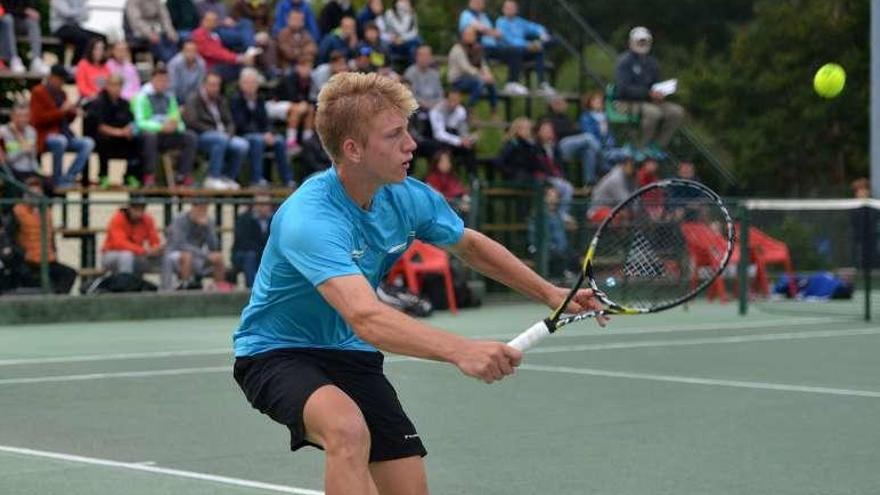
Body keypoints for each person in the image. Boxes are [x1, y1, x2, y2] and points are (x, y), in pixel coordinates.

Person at [231, 72, 604, 495]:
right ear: (352, 149)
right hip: (276, 352)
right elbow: (366, 317)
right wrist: (462, 350)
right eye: (394, 136)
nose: (411, 144)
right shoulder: (309, 219)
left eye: (407, 130)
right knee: (347, 431)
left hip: (350, 353)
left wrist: (552, 293)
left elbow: (470, 246)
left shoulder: (407, 195)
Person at [613, 26, 685, 150]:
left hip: (649, 101)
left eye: (644, 41)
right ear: (631, 42)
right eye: (639, 41)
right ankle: (641, 147)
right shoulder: (624, 61)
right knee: (653, 113)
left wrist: (660, 93)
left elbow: (655, 85)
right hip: (625, 102)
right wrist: (648, 93)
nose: (642, 44)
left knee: (676, 112)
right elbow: (623, 89)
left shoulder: (652, 63)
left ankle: (657, 146)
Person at [131, 64, 198, 187]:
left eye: (165, 80)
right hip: (147, 136)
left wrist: (176, 127)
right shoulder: (142, 97)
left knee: (190, 136)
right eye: (160, 80)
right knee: (150, 136)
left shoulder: (170, 97)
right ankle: (149, 175)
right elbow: (140, 122)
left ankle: (182, 175)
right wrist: (161, 127)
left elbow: (177, 120)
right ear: (152, 80)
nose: (163, 83)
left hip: (167, 135)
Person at [31, 64, 95, 188]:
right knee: (60, 141)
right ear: (51, 77)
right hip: (46, 134)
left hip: (64, 133)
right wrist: (62, 111)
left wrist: (73, 112)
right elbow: (39, 119)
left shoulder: (62, 93)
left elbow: (66, 120)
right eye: (61, 79)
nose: (62, 83)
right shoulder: (38, 92)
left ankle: (69, 178)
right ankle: (57, 180)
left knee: (88, 143)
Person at [183, 71, 249, 190]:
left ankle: (228, 177)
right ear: (204, 85)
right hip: (201, 135)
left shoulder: (221, 100)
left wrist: (229, 134)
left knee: (242, 145)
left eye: (217, 85)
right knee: (220, 139)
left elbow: (230, 121)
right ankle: (213, 177)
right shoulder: (194, 98)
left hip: (222, 135)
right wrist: (215, 132)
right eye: (212, 84)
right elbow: (192, 122)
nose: (215, 88)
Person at [231, 68, 294, 188]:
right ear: (241, 84)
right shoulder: (236, 100)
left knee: (279, 140)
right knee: (257, 140)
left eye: (253, 82)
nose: (250, 86)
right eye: (247, 82)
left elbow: (266, 121)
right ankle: (257, 179)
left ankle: (287, 180)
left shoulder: (260, 99)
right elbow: (240, 124)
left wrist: (269, 133)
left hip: (261, 134)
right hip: (243, 134)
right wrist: (262, 135)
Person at [12, 177, 77, 293]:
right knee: (34, 279)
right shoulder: (17, 212)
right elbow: (11, 239)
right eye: (32, 194)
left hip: (47, 259)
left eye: (38, 194)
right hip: (29, 261)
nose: (35, 197)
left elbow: (50, 236)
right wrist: (22, 254)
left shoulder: (46, 211)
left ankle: (57, 300)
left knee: (69, 273)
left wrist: (53, 252)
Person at [458, 0, 527, 95]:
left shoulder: (483, 16)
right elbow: (480, 28)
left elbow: (495, 33)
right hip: (476, 49)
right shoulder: (466, 15)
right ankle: (483, 84)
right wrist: (490, 32)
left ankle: (511, 84)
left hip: (492, 47)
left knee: (515, 50)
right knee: (480, 55)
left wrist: (491, 32)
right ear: (471, 2)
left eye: (482, 2)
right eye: (478, 2)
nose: (481, 4)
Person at [162, 200, 233, 291]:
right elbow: (180, 244)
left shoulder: (208, 221)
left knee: (218, 257)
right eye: (200, 208)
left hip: (198, 255)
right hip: (175, 253)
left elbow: (214, 247)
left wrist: (207, 228)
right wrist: (205, 255)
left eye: (205, 209)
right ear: (193, 207)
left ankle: (218, 289)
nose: (202, 211)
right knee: (187, 256)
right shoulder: (180, 220)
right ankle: (185, 287)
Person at [86, 73, 140, 188]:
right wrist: (119, 132)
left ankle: (130, 175)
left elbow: (132, 121)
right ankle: (103, 175)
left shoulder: (124, 103)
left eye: (119, 85)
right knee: (103, 140)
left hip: (121, 138)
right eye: (113, 85)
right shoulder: (99, 102)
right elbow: (100, 126)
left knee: (136, 141)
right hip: (104, 137)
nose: (116, 88)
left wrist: (129, 130)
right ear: (107, 86)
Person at [495, 0, 554, 94]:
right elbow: (508, 40)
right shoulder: (501, 22)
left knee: (539, 51)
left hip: (523, 50)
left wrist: (542, 33)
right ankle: (512, 84)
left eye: (512, 8)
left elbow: (534, 27)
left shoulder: (520, 22)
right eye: (507, 8)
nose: (510, 10)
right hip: (508, 52)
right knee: (518, 50)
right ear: (503, 10)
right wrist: (528, 45)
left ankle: (542, 84)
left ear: (516, 10)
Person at [101, 197, 163, 274]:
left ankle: (166, 286)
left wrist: (155, 248)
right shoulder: (118, 218)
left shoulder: (147, 219)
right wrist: (144, 251)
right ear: (129, 208)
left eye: (141, 209)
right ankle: (126, 285)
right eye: (135, 208)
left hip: (137, 255)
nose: (138, 212)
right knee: (126, 256)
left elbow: (154, 240)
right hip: (111, 255)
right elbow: (120, 244)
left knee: (166, 258)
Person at [192, 11, 257, 82]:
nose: (213, 22)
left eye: (215, 20)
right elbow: (215, 52)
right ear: (203, 21)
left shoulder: (214, 34)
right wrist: (238, 58)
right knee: (241, 67)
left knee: (245, 25)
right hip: (209, 67)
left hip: (220, 63)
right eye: (210, 20)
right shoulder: (199, 34)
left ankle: (251, 53)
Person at [0, 103, 51, 190]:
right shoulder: (3, 132)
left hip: (30, 170)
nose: (23, 119)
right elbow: (5, 160)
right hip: (14, 170)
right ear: (12, 116)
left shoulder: (31, 131)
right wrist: (22, 150)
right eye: (19, 116)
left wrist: (37, 172)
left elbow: (32, 156)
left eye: (26, 116)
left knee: (49, 185)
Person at [447, 26, 498, 114]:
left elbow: (483, 65)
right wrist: (482, 76)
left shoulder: (477, 48)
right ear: (463, 36)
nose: (470, 36)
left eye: (472, 35)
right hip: (458, 80)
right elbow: (466, 68)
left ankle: (493, 111)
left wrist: (488, 75)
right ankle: (469, 108)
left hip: (472, 78)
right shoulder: (457, 49)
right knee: (479, 82)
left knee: (491, 82)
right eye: (467, 34)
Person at [271, 56, 317, 153]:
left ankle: (307, 140)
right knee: (296, 108)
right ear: (298, 67)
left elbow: (310, 98)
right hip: (275, 104)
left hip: (292, 105)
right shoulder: (290, 77)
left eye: (309, 68)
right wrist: (303, 103)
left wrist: (306, 104)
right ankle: (290, 142)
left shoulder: (309, 80)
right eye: (304, 67)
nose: (307, 70)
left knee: (310, 109)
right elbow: (291, 96)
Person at [428, 89, 477, 178]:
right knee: (443, 150)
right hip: (437, 141)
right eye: (451, 100)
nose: (453, 103)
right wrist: (459, 141)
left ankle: (472, 177)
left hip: (454, 139)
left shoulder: (461, 110)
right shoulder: (436, 111)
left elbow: (462, 130)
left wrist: (467, 139)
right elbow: (439, 134)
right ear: (445, 99)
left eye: (456, 100)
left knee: (469, 149)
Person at [231, 194, 273, 288]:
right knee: (250, 256)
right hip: (244, 253)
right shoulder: (244, 219)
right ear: (254, 205)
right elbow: (244, 243)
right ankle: (252, 290)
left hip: (266, 254)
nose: (263, 207)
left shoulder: (274, 220)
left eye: (266, 204)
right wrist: (263, 251)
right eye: (260, 204)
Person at [534, 119, 574, 219]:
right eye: (545, 130)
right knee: (566, 187)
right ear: (538, 132)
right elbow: (538, 167)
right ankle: (562, 215)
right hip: (543, 178)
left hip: (555, 179)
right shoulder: (535, 148)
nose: (548, 132)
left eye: (550, 130)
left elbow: (560, 166)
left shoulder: (555, 147)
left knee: (563, 186)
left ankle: (560, 215)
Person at [0, 0, 48, 74]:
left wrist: (32, 12)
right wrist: (24, 11)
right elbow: (4, 10)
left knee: (32, 21)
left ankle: (36, 60)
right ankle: (13, 59)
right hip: (5, 25)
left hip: (19, 22)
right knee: (7, 19)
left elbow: (31, 8)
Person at [50, 0, 105, 64]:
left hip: (77, 28)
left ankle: (96, 67)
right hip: (60, 28)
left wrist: (76, 13)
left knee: (101, 38)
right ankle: (76, 65)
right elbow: (66, 13)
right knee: (82, 37)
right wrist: (80, 12)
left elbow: (86, 17)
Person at [588, 154, 635, 223]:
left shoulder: (628, 176)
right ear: (624, 164)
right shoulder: (616, 178)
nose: (634, 168)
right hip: (597, 211)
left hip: (612, 209)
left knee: (628, 214)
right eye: (632, 165)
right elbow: (625, 200)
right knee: (621, 216)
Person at [495, 116, 540, 183]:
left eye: (529, 128)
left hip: (530, 176)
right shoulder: (512, 144)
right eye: (524, 128)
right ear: (517, 130)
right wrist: (511, 172)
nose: (527, 131)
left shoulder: (532, 145)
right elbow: (498, 161)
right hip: (516, 178)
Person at [425, 149, 470, 215]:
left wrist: (465, 196)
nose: (446, 164)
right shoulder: (431, 178)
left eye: (448, 162)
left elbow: (460, 190)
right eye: (443, 162)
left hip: (456, 206)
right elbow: (437, 197)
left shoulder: (452, 176)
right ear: (437, 163)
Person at [168, 39, 206, 105]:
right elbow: (172, 88)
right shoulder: (174, 64)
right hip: (176, 98)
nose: (191, 53)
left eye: (193, 51)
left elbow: (199, 86)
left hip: (192, 99)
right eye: (188, 51)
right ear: (182, 51)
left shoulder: (201, 64)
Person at [75, 38, 110, 102]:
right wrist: (94, 95)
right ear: (91, 50)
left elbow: (109, 84)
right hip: (88, 98)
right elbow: (82, 87)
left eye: (102, 49)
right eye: (96, 49)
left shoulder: (106, 66)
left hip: (104, 99)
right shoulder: (83, 64)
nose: (99, 52)